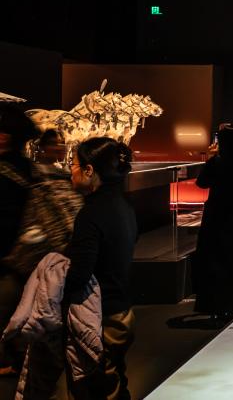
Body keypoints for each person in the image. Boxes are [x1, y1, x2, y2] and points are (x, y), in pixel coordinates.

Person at [65, 137, 138, 399]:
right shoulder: (123, 206)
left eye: (73, 164)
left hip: (101, 315)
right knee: (115, 379)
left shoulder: (92, 213)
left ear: (89, 170)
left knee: (100, 387)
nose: (70, 171)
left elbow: (81, 272)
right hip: (122, 309)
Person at [193, 124, 233, 320]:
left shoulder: (217, 162)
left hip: (218, 212)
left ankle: (218, 303)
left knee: (217, 256)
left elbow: (201, 182)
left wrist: (211, 158)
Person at [0, 103, 40, 376]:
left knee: (9, 307)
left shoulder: (10, 170)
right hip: (25, 251)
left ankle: (11, 359)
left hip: (10, 253)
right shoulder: (29, 168)